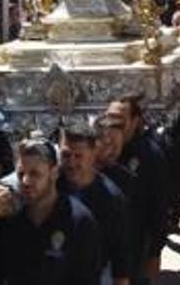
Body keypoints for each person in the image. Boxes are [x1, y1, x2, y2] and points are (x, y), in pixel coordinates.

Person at [0, 138, 104, 285]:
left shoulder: (79, 220)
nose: (25, 181)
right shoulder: (7, 218)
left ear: (54, 173)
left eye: (35, 174)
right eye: (21, 174)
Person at [58, 122, 134, 285]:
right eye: (66, 155)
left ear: (93, 154)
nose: (71, 163)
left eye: (78, 156)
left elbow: (120, 254)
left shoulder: (111, 199)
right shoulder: (51, 185)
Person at [106, 96, 169, 283]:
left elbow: (159, 208)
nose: (113, 125)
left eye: (119, 120)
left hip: (135, 242)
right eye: (110, 118)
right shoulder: (101, 150)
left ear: (134, 122)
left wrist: (154, 254)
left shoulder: (150, 155)